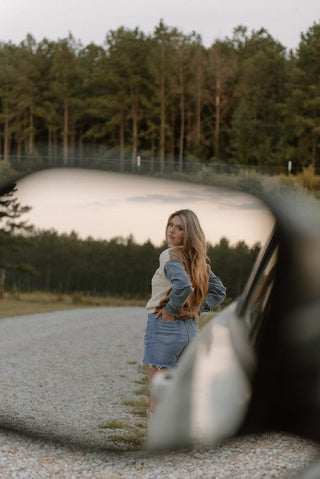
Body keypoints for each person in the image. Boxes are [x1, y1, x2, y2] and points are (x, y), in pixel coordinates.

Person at [142, 209, 226, 415]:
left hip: (165, 327)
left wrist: (171, 310)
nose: (171, 230)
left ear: (189, 234)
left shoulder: (170, 255)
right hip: (190, 330)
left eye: (179, 228)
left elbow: (183, 286)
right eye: (171, 224)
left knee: (159, 395)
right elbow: (219, 291)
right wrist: (196, 308)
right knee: (180, 394)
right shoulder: (199, 261)